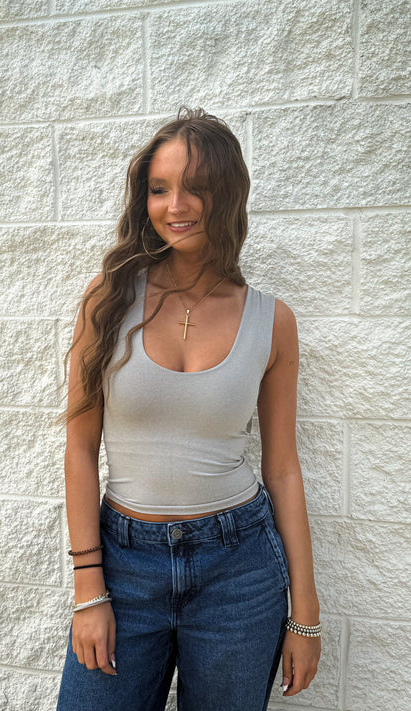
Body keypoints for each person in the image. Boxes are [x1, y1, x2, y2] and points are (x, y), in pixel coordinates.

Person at [56, 107, 321, 711]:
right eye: (159, 188)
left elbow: (283, 468)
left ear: (227, 194)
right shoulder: (107, 299)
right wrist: (88, 587)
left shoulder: (272, 321)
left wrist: (305, 614)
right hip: (124, 564)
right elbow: (79, 446)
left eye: (195, 187)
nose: (175, 205)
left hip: (240, 568)